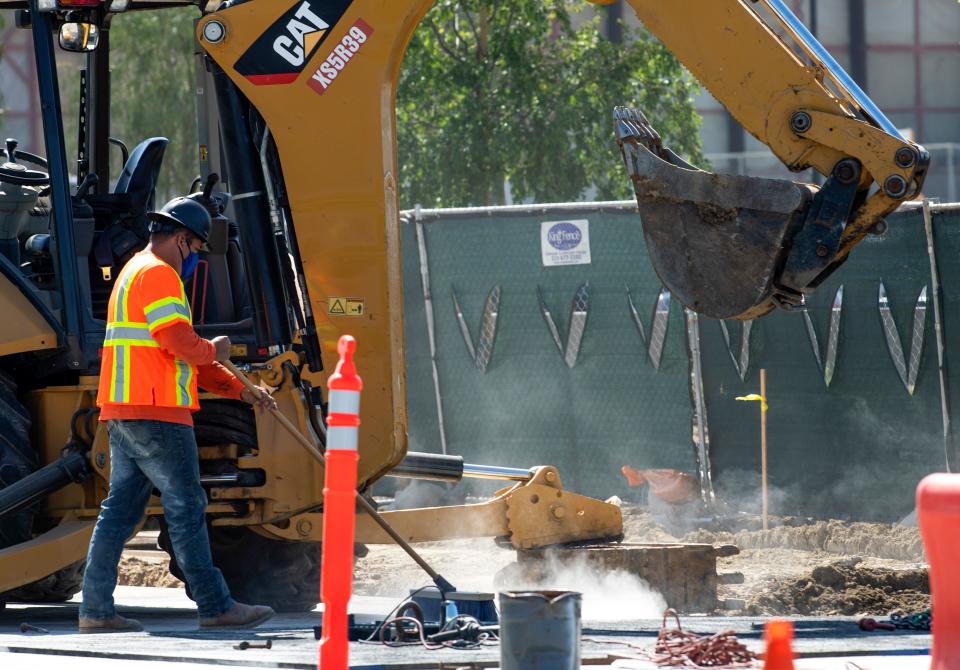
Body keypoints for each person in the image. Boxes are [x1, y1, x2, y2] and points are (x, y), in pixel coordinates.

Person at [80, 196, 278, 633]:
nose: (194, 259)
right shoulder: (160, 275)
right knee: (187, 505)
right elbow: (180, 343)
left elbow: (185, 360)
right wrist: (217, 348)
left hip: (125, 413)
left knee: (118, 513)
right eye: (195, 248)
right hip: (158, 413)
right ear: (182, 239)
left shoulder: (133, 271)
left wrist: (241, 391)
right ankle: (215, 605)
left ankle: (94, 610)